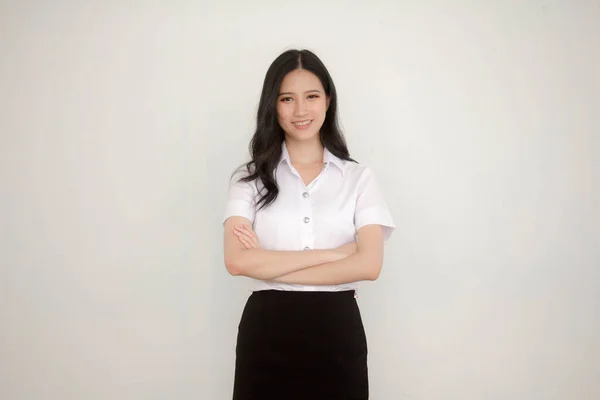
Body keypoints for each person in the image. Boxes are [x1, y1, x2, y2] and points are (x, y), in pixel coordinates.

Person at [222, 49, 395, 400]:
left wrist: (269, 266)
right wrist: (335, 255)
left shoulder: (359, 178)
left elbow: (369, 265)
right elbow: (237, 261)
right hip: (266, 333)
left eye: (311, 97)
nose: (301, 111)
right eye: (287, 99)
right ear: (273, 105)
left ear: (327, 101)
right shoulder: (249, 179)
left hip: (337, 332)